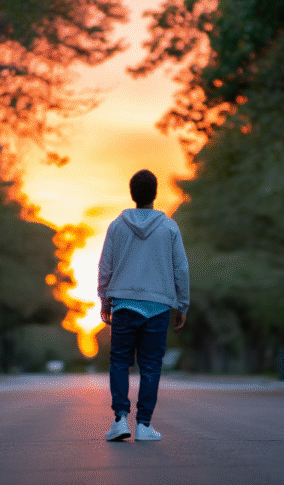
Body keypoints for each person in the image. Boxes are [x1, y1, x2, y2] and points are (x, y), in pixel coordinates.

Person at [98, 169, 190, 442]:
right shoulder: (169, 227)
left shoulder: (116, 226)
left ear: (132, 194)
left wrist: (104, 299)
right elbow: (181, 269)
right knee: (150, 366)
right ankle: (144, 425)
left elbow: (105, 266)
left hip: (124, 304)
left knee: (119, 362)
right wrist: (182, 305)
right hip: (158, 306)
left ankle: (119, 420)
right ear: (155, 194)